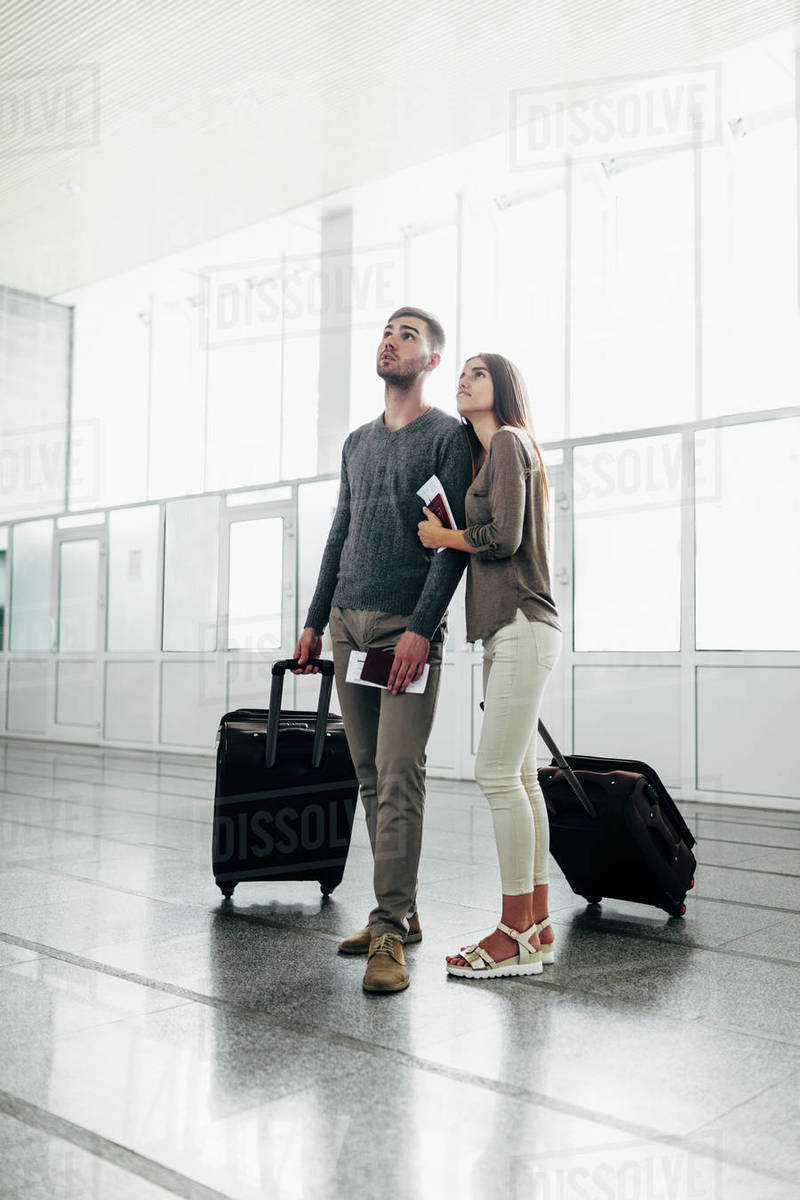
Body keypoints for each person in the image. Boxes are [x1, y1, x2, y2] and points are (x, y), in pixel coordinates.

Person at [294, 306, 472, 994]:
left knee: (400, 774)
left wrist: (423, 631)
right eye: (386, 332)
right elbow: (340, 532)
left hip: (406, 630)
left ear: (430, 361)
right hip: (347, 625)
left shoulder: (446, 438)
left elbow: (450, 548)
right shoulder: (357, 443)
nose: (390, 341)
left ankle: (389, 930)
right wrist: (314, 619)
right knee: (368, 774)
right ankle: (402, 908)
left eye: (408, 336)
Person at [417, 352, 562, 980]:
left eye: (477, 372)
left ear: (502, 385)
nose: (464, 380)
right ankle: (535, 926)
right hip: (515, 630)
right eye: (463, 373)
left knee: (496, 775)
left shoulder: (506, 441)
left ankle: (513, 934)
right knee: (522, 778)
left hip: (521, 626)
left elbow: (501, 537)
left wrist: (444, 537)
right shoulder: (500, 451)